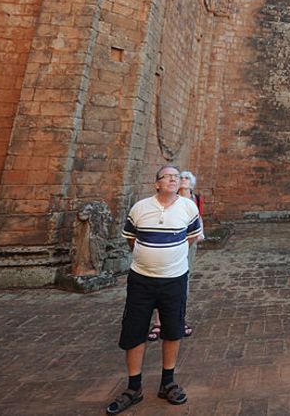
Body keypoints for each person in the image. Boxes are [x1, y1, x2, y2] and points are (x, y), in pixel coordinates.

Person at [106, 166, 202, 414]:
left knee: (172, 330)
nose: (173, 179)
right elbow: (131, 238)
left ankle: (167, 382)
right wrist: (148, 257)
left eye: (176, 176)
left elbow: (191, 237)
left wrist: (171, 256)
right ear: (156, 184)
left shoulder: (188, 207)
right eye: (167, 176)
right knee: (135, 330)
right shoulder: (140, 208)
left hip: (175, 279)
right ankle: (133, 387)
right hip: (141, 280)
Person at [149, 170, 203, 341]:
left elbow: (196, 226)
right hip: (164, 248)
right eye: (182, 178)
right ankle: (158, 322)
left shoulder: (195, 200)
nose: (183, 180)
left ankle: (178, 319)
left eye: (186, 178)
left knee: (182, 281)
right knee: (160, 281)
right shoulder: (166, 201)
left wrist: (184, 245)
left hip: (186, 245)